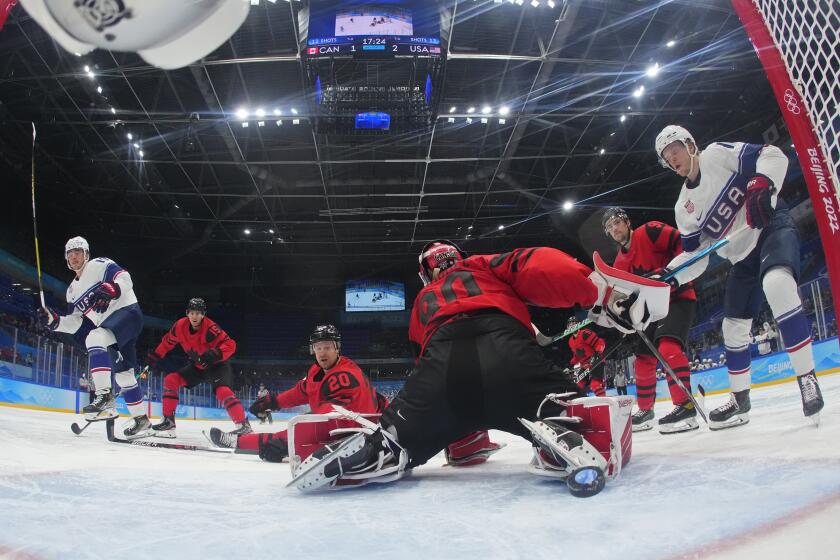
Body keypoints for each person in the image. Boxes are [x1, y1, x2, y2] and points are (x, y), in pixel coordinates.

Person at [287, 240, 670, 495]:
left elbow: (428, 358)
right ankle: (560, 425)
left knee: (410, 426)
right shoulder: (481, 267)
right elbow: (539, 265)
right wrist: (601, 292)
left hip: (440, 370)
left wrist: (458, 435)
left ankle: (383, 447)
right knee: (552, 403)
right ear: (457, 259)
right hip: (507, 354)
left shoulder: (423, 300)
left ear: (426, 272)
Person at [655, 125, 824, 428]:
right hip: (741, 257)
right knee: (732, 327)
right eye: (667, 157)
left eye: (675, 150)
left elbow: (772, 155)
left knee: (777, 284)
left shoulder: (717, 155)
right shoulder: (684, 208)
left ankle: (807, 378)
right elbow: (697, 256)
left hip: (771, 229)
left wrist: (761, 183)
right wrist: (671, 274)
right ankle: (740, 399)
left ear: (691, 144)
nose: (673, 158)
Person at [212, 324, 502, 468]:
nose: (322, 352)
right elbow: (300, 392)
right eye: (318, 347)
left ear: (337, 348)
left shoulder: (344, 375)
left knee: (292, 438)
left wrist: (285, 443)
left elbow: (326, 421)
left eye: (328, 346)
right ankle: (467, 439)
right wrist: (272, 402)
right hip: (360, 425)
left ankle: (469, 439)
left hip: (376, 428)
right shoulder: (316, 371)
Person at [38, 236, 150, 438]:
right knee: (124, 375)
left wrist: (113, 288)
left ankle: (104, 397)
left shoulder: (99, 264)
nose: (74, 256)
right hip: (112, 329)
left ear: (86, 253)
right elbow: (75, 322)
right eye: (70, 253)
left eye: (78, 251)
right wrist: (54, 321)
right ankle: (142, 421)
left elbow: (125, 278)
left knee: (94, 338)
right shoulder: (71, 291)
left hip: (127, 313)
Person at [603, 207, 699, 434]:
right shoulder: (619, 264)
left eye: (616, 222)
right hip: (652, 311)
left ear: (627, 222)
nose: (614, 228)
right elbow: (629, 295)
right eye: (609, 227)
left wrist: (669, 271)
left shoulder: (650, 231)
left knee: (668, 348)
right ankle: (646, 410)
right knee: (643, 360)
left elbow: (682, 243)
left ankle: (685, 406)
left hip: (677, 297)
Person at [146, 297, 250, 437]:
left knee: (222, 391)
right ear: (187, 313)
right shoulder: (179, 327)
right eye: (192, 313)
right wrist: (155, 356)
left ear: (203, 314)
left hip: (217, 365)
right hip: (198, 366)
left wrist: (216, 353)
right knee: (171, 380)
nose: (195, 316)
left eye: (199, 313)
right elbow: (167, 342)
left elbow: (231, 345)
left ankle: (243, 425)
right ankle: (168, 422)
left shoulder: (211, 329)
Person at [567, 317, 607, 397]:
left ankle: (604, 403)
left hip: (596, 362)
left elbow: (600, 342)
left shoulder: (585, 333)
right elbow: (577, 355)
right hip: (585, 365)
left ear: (578, 325)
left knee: (595, 385)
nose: (572, 326)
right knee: (578, 385)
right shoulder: (570, 341)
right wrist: (571, 364)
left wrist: (597, 353)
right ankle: (580, 404)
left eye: (573, 323)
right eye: (570, 324)